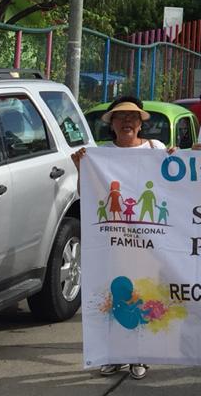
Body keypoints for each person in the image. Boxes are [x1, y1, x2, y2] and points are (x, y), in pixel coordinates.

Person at [71, 96, 168, 380]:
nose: (127, 122)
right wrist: (81, 169)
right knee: (112, 293)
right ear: (112, 124)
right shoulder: (99, 154)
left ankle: (140, 356)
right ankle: (111, 355)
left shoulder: (156, 149)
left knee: (143, 292)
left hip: (148, 239)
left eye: (133, 117)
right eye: (121, 117)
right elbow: (85, 194)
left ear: (140, 123)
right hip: (113, 239)